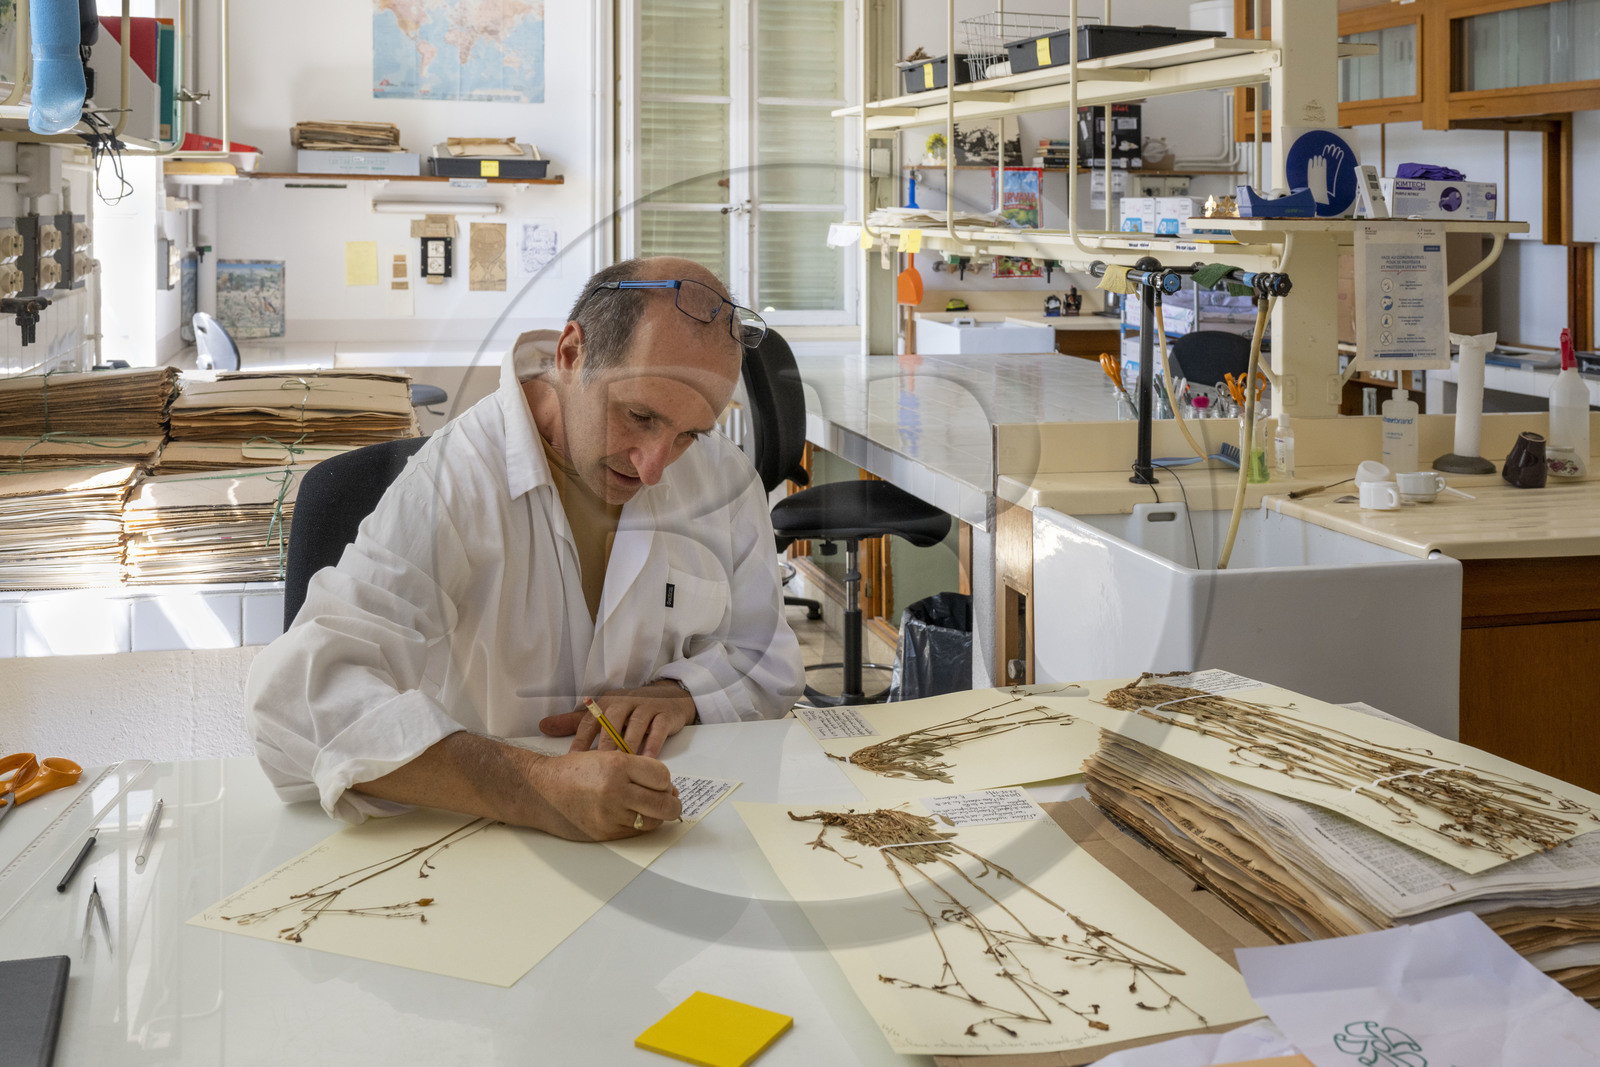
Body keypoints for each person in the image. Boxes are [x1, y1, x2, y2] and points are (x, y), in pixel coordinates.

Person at [246, 256, 805, 841]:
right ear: (570, 355)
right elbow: (295, 700)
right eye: (638, 415)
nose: (656, 467)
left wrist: (681, 693)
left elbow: (767, 655)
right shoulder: (458, 476)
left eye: (691, 434)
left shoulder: (724, 480)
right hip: (487, 837)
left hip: (662, 829)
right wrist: (537, 786)